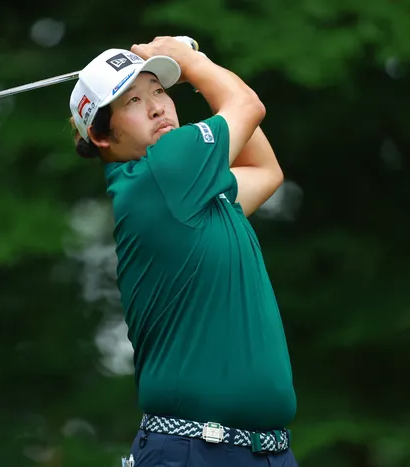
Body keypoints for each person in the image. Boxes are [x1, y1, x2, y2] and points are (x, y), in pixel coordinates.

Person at [68, 36, 298, 467]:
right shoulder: (163, 172)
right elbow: (247, 106)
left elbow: (264, 171)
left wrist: (197, 63)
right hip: (195, 451)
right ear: (101, 135)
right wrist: (191, 63)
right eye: (133, 101)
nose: (157, 107)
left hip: (265, 452)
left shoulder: (192, 189)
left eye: (159, 91)